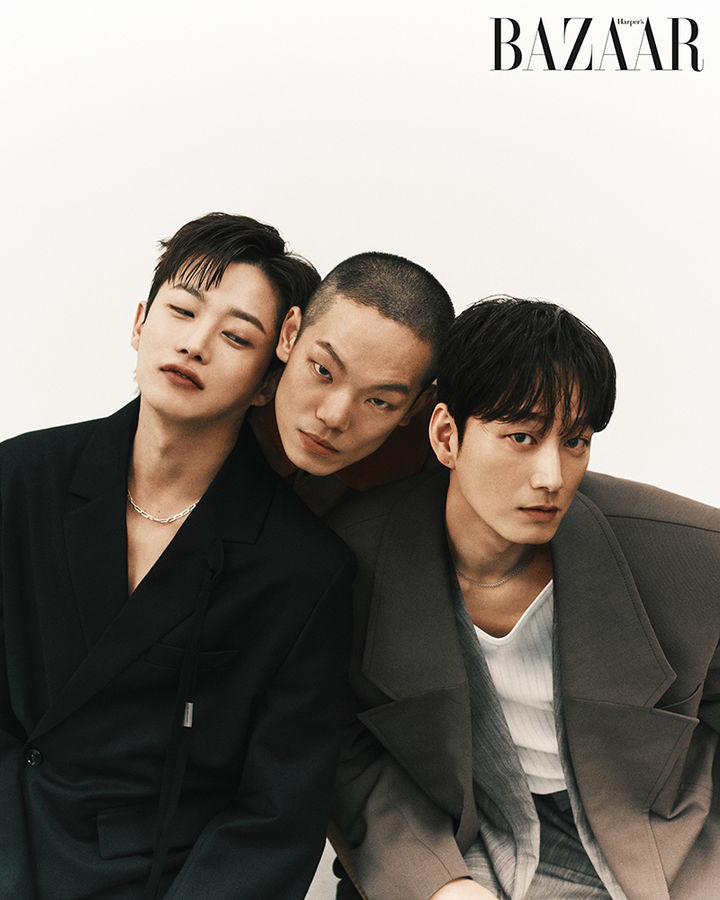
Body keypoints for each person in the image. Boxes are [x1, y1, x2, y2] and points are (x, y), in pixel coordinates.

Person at [0, 212, 356, 899]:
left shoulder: (303, 570)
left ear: (267, 381)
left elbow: (276, 814)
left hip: (154, 878)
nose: (194, 344)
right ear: (140, 323)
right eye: (183, 311)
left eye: (236, 336)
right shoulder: (20, 480)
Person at [327, 296, 720, 900]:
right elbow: (347, 750)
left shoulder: (688, 554)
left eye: (575, 441)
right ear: (447, 436)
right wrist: (437, 883)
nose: (552, 477)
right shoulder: (354, 562)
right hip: (464, 837)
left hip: (660, 844)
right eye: (521, 436)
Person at [249, 251, 455, 514]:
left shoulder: (441, 484)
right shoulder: (220, 381)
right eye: (323, 370)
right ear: (290, 335)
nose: (333, 418)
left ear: (415, 407)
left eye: (378, 401)